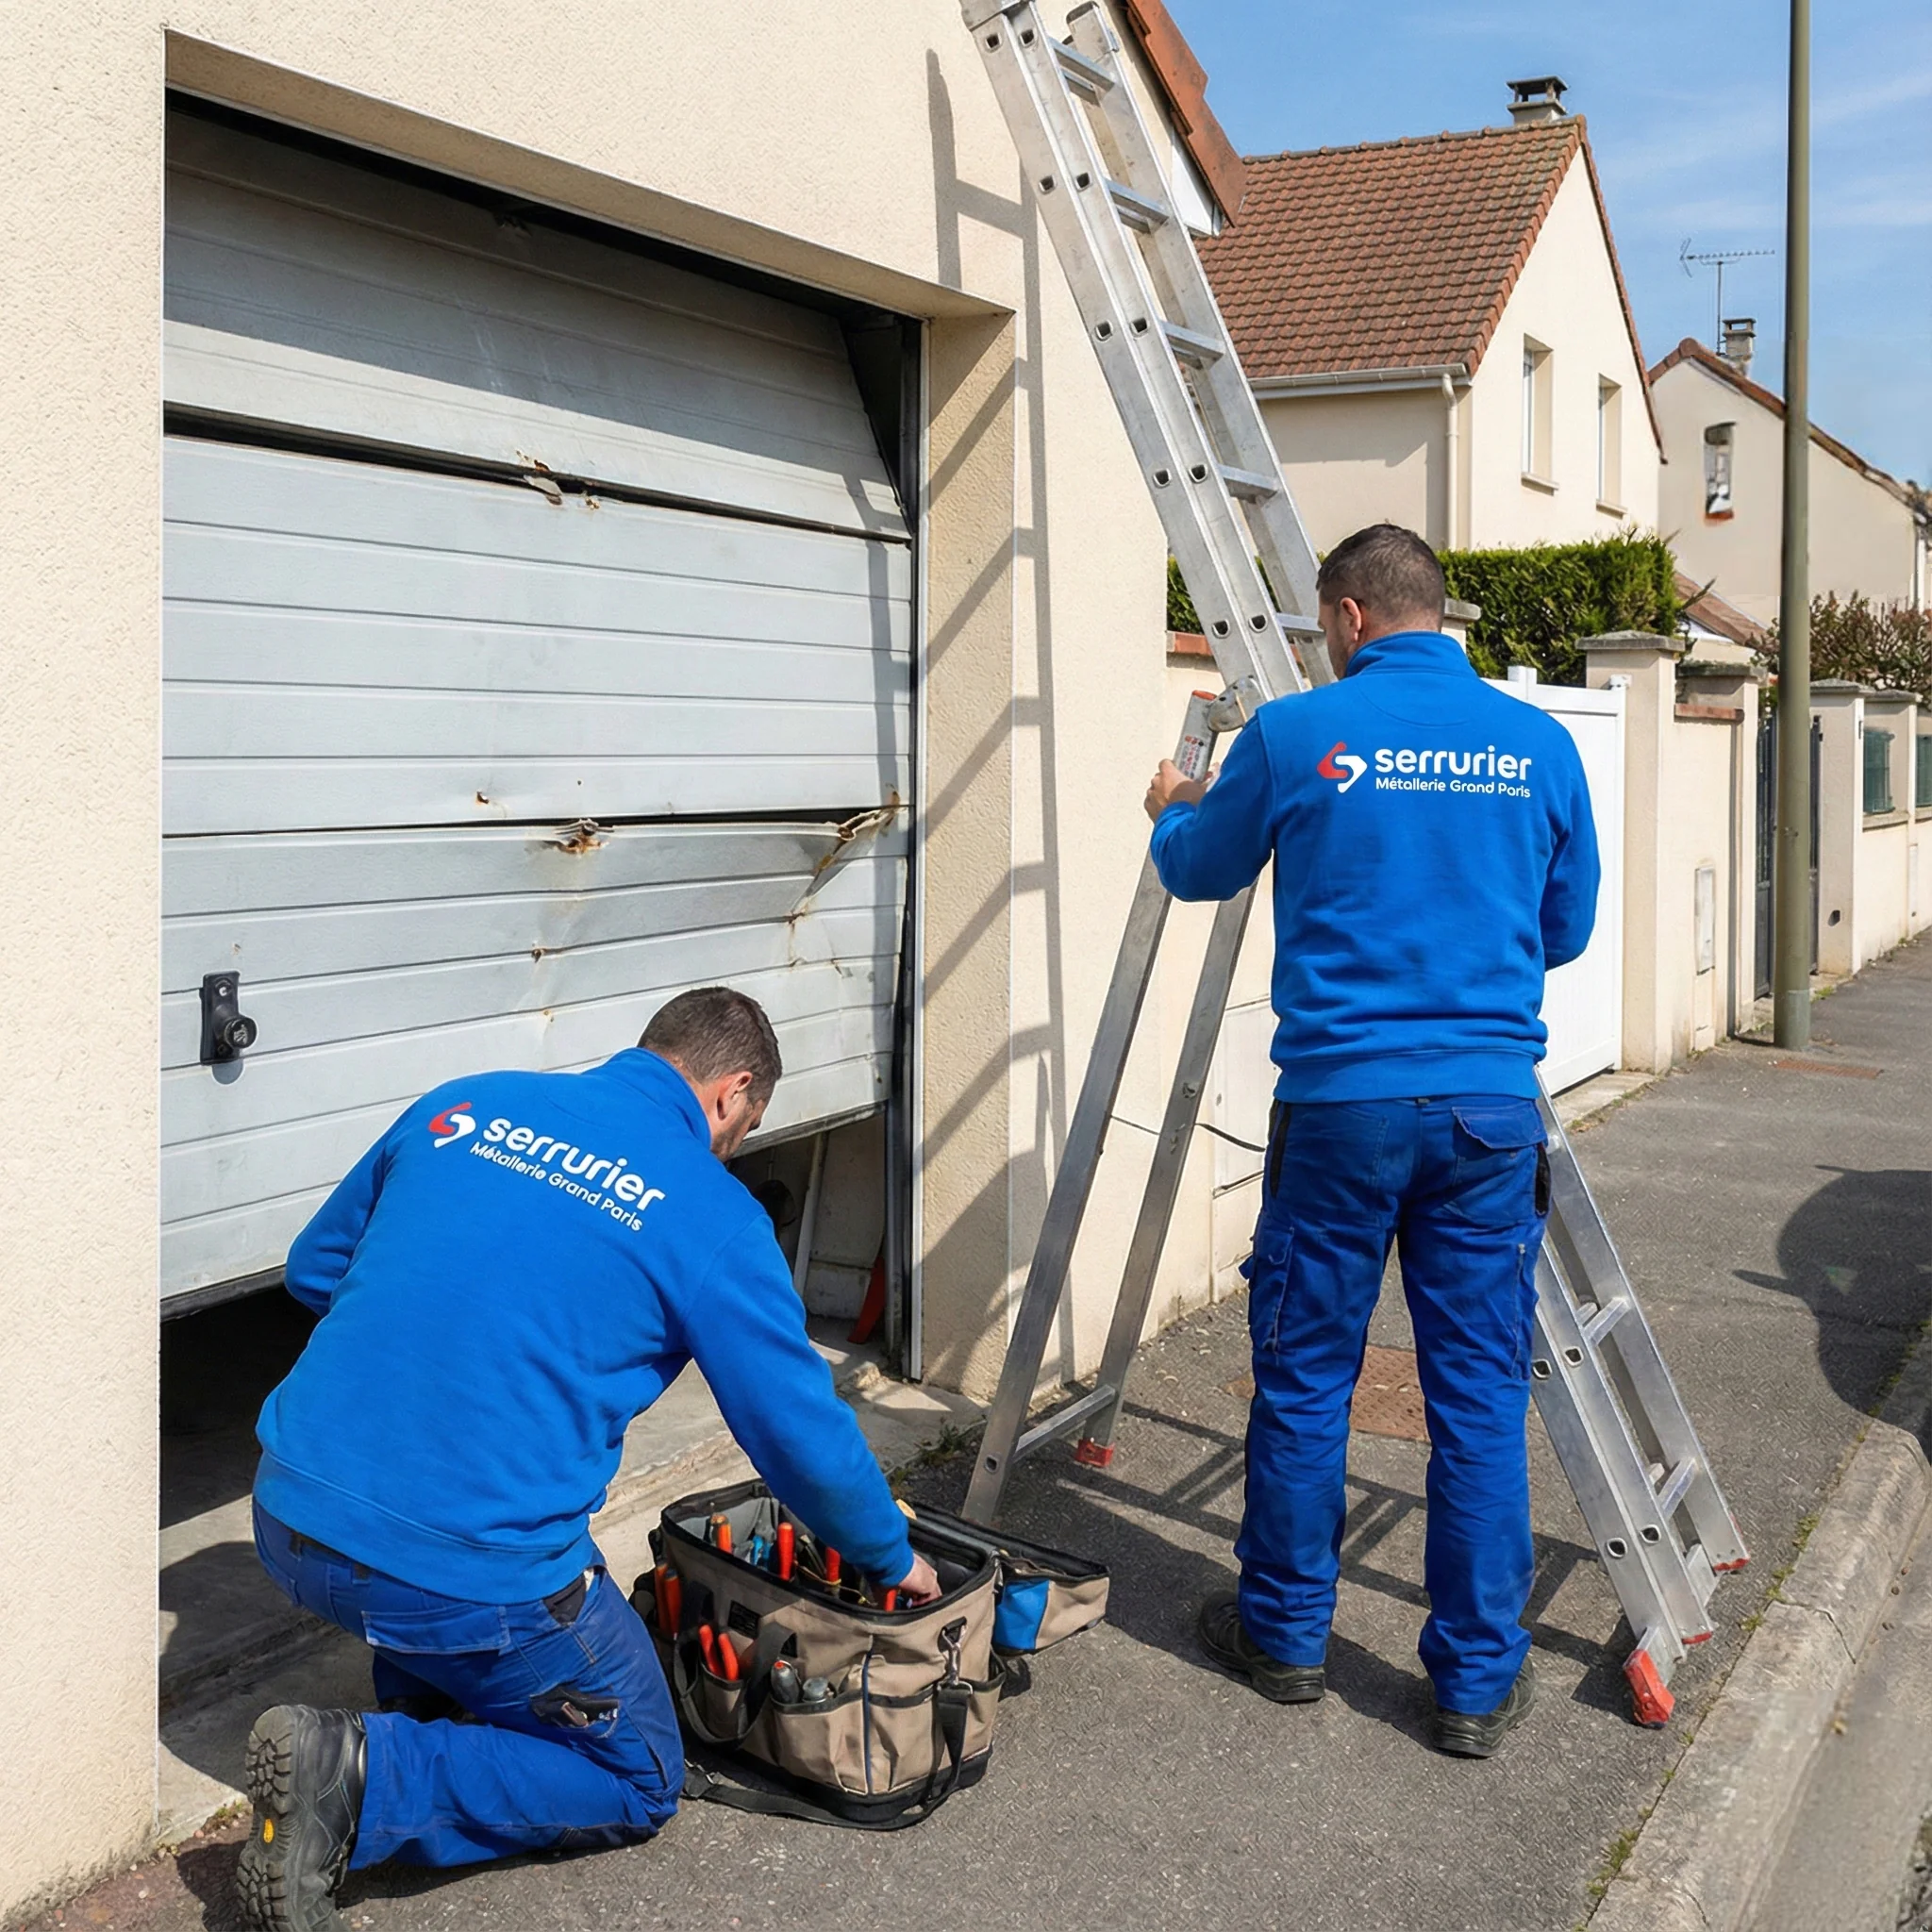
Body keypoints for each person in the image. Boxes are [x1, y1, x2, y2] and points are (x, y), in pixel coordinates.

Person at [236, 986, 939, 1932]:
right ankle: (362, 1776)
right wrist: (890, 1555)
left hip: (287, 1512)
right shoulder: (711, 1215)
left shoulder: (468, 1101)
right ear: (730, 1095)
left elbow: (317, 1266)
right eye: (744, 1124)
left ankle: (431, 1694)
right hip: (459, 1573)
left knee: (466, 1575)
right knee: (637, 1765)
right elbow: (796, 1433)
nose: (730, 1145)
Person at [1144, 524, 1599, 1758]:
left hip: (1342, 1111)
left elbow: (1199, 867)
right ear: (1434, 613)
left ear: (1347, 616)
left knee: (1305, 1379)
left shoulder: (1299, 734)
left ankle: (1286, 1640)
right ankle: (1471, 1686)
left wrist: (1169, 808)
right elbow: (1566, 929)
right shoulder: (1540, 744)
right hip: (1487, 1112)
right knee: (1477, 1396)